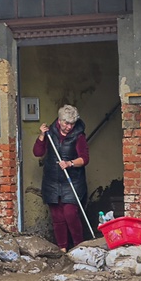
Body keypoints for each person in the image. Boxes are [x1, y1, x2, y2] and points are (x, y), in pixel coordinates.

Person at [33, 104, 90, 253]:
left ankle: (79, 246)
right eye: (66, 123)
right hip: (52, 180)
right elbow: (38, 152)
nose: (69, 127)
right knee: (57, 216)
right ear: (59, 120)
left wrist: (70, 163)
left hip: (73, 181)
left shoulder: (79, 135)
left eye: (72, 123)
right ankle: (62, 248)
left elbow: (85, 159)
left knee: (70, 213)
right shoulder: (50, 133)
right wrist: (42, 135)